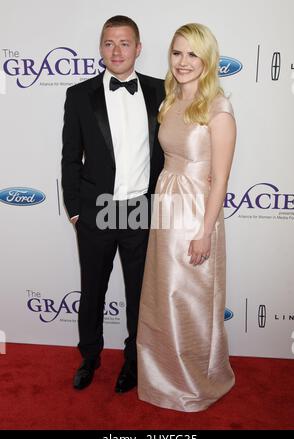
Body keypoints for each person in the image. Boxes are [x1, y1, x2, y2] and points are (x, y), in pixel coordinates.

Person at [61, 15, 164, 393]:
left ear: (138, 48)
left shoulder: (161, 91)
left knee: (139, 294)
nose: (116, 50)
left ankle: (133, 362)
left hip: (140, 209)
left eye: (124, 43)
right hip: (96, 210)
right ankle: (89, 357)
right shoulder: (79, 95)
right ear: (100, 49)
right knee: (92, 291)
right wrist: (74, 210)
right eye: (109, 43)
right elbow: (70, 157)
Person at [137, 23, 236, 412]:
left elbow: (221, 179)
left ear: (208, 59)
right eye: (177, 53)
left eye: (192, 54)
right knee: (164, 296)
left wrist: (205, 231)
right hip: (166, 205)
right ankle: (163, 377)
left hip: (196, 211)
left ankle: (195, 383)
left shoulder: (220, 108)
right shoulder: (169, 100)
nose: (183, 62)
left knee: (190, 297)